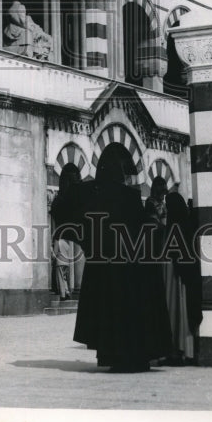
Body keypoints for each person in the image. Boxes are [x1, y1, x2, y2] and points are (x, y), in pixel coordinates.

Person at [56, 157, 171, 372]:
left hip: (105, 267)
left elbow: (72, 214)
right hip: (132, 267)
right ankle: (135, 357)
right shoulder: (129, 196)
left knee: (110, 312)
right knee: (130, 313)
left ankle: (114, 356)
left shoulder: (94, 196)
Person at [145, 176, 202, 364]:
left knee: (173, 310)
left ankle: (174, 349)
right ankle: (184, 349)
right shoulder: (185, 226)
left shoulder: (172, 229)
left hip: (172, 275)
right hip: (181, 278)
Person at [50, 166, 84, 299]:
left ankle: (64, 294)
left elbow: (56, 251)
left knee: (60, 278)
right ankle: (69, 292)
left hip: (59, 262)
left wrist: (52, 254)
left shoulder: (58, 239)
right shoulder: (68, 242)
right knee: (65, 277)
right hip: (68, 262)